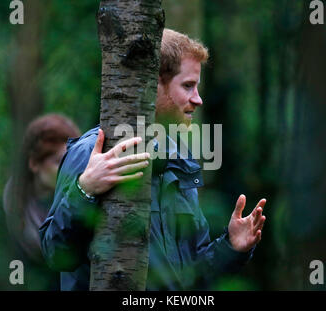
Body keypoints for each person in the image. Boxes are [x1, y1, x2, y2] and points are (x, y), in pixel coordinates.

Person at [39, 29, 268, 290]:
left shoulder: (180, 159)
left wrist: (232, 247)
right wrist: (85, 189)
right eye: (188, 86)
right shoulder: (94, 153)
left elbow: (191, 278)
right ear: (153, 84)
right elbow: (55, 254)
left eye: (197, 86)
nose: (198, 99)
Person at [0, 114, 81, 290]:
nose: (68, 169)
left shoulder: (77, 209)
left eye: (72, 161)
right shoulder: (4, 220)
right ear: (34, 163)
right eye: (60, 161)